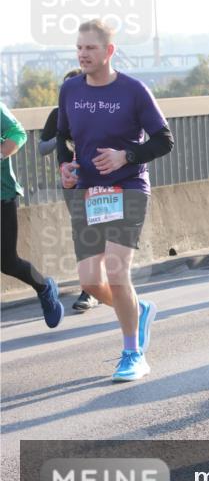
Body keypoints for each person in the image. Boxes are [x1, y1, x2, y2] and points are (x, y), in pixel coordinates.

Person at [57, 19, 174, 381]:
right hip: (88, 191)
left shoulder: (133, 90)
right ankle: (138, 309)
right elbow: (62, 137)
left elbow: (164, 140)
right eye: (79, 47)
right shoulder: (70, 89)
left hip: (128, 187)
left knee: (116, 270)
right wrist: (65, 166)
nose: (83, 54)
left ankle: (132, 353)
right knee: (91, 282)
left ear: (109, 51)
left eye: (90, 48)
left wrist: (127, 156)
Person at [38, 68, 99, 312]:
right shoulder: (57, 114)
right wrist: (61, 136)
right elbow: (42, 148)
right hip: (71, 183)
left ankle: (103, 282)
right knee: (83, 233)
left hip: (99, 179)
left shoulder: (97, 110)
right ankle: (89, 289)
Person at [2, 102, 64, 328]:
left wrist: (1, 152)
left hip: (2, 196)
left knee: (8, 262)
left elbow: (18, 133)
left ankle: (44, 287)